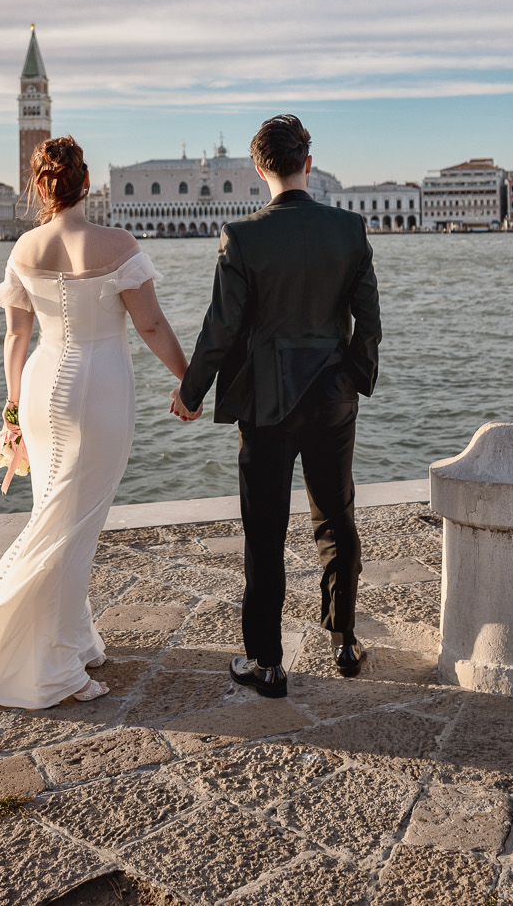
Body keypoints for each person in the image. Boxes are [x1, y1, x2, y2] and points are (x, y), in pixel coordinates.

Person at [0, 136, 190, 708]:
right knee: (76, 522)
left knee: (55, 512)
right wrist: (189, 378)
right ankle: (54, 662)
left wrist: (11, 410)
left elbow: (16, 336)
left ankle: (72, 637)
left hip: (40, 386)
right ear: (85, 182)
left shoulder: (23, 248)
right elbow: (152, 326)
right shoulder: (117, 243)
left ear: (41, 187)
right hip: (101, 387)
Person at [172, 114, 381, 697]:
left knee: (264, 532)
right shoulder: (350, 228)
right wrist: (354, 380)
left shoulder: (242, 238)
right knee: (336, 517)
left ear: (260, 168)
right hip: (333, 398)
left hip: (266, 405)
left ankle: (266, 664)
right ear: (307, 164)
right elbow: (369, 321)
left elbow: (220, 330)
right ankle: (343, 640)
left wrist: (191, 394)